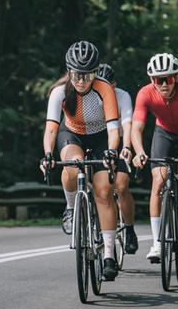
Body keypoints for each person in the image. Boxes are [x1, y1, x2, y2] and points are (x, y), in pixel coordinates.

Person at [40, 40, 121, 280]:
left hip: (100, 138)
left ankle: (109, 254)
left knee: (104, 190)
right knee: (73, 167)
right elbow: (51, 130)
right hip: (72, 134)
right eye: (77, 74)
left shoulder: (104, 89)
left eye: (88, 75)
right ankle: (71, 207)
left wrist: (111, 152)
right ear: (69, 70)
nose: (82, 81)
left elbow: (114, 131)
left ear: (96, 73)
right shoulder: (60, 91)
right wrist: (47, 154)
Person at [131, 53, 178, 264]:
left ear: (177, 77)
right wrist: (139, 151)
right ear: (151, 80)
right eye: (158, 79)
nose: (164, 84)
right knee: (158, 180)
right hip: (163, 134)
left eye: (169, 79)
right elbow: (137, 128)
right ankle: (157, 242)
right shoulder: (145, 94)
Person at [96, 63, 138, 254]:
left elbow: (127, 124)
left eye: (108, 85)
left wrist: (127, 147)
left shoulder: (122, 96)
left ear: (115, 84)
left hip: (120, 143)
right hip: (99, 144)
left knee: (121, 186)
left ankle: (128, 228)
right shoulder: (91, 94)